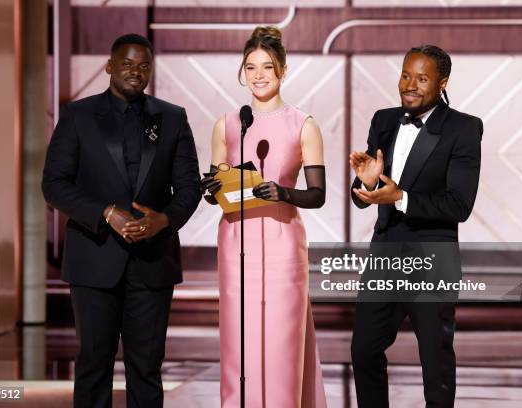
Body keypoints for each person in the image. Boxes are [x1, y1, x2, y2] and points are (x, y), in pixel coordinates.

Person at [42, 33, 201, 407]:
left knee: (146, 368)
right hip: (93, 258)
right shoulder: (78, 115)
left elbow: (190, 187)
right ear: (109, 66)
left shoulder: (172, 118)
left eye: (144, 65)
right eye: (127, 64)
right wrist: (105, 214)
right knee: (94, 365)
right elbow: (53, 185)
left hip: (153, 261)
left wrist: (164, 220)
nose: (135, 72)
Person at [349, 45, 483, 408]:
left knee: (435, 366)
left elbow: (459, 204)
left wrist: (400, 197)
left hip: (432, 259)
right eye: (405, 75)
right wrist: (371, 184)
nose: (409, 84)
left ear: (442, 82)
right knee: (363, 352)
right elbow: (364, 192)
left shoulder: (464, 128)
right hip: (385, 258)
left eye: (421, 78)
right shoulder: (384, 120)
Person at [200, 26, 327, 407]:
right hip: (235, 241)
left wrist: (283, 192)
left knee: (281, 339)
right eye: (251, 66)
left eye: (267, 67)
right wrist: (210, 189)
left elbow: (317, 195)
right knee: (239, 339)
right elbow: (216, 192)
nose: (258, 75)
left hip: (283, 243)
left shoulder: (304, 125)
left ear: (283, 70)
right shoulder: (227, 124)